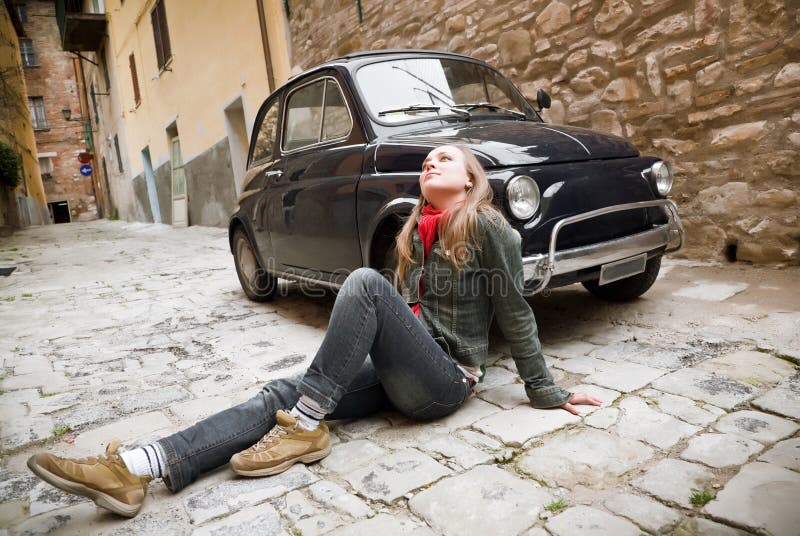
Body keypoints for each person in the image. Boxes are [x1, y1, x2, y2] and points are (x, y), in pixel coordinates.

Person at [26, 145, 601, 518]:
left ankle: (304, 426)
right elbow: (398, 319)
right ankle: (139, 467)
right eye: (426, 161)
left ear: (472, 180)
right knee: (285, 390)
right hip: (401, 373)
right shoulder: (411, 234)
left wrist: (546, 390)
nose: (430, 164)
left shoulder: (488, 227)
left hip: (447, 380)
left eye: (445, 160)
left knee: (362, 284)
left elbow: (516, 311)